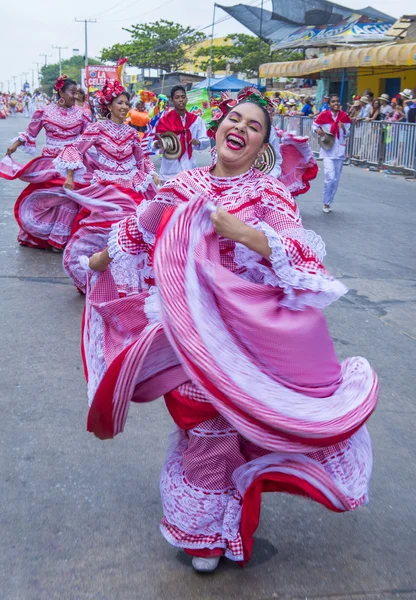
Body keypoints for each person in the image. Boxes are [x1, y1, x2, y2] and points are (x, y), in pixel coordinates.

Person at [83, 96, 377, 574]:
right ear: (219, 129)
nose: (240, 127)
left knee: (240, 427)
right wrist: (92, 265)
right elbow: (137, 231)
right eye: (234, 119)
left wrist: (244, 233)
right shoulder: (182, 184)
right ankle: (204, 535)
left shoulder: (268, 192)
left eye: (255, 126)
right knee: (202, 426)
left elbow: (303, 254)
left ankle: (220, 529)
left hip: (247, 335)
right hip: (186, 330)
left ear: (262, 143)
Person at [54, 79, 162, 293]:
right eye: (120, 103)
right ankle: (93, 271)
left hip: (130, 187)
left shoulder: (132, 133)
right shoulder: (97, 128)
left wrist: (153, 176)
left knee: (136, 232)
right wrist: (69, 177)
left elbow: (141, 160)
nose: (124, 107)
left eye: (126, 104)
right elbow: (76, 150)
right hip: (104, 188)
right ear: (109, 105)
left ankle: (127, 279)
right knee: (99, 232)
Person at [1, 76, 90, 250]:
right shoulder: (45, 112)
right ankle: (41, 234)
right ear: (60, 92)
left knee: (71, 198)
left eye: (77, 92)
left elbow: (90, 139)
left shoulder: (82, 115)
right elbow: (30, 133)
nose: (75, 96)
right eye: (72, 92)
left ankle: (60, 239)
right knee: (50, 197)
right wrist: (15, 145)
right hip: (51, 163)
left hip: (75, 163)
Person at [154, 85, 209, 180]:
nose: (180, 100)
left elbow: (205, 140)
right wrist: (158, 144)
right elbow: (154, 143)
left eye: (183, 97)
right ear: (171, 100)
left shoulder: (196, 120)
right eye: (177, 97)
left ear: (187, 99)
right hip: (169, 169)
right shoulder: (164, 121)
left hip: (189, 167)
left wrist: (199, 142)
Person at [313, 94, 351, 213]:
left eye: (337, 101)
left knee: (335, 180)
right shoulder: (324, 115)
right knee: (329, 177)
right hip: (327, 149)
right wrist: (318, 131)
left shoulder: (344, 117)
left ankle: (329, 202)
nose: (336, 103)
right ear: (329, 105)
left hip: (339, 151)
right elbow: (314, 125)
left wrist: (343, 128)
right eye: (333, 101)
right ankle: (325, 202)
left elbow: (348, 133)